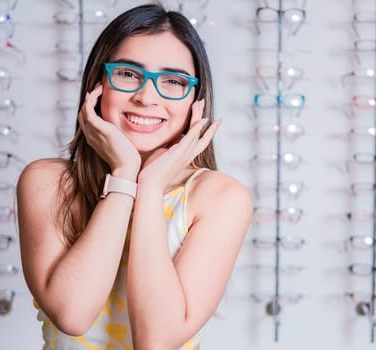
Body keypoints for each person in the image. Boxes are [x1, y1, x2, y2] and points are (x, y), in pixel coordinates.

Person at [16, 3, 253, 350]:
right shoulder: (49, 182)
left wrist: (152, 186)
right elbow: (73, 314)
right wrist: (125, 176)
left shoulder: (218, 197)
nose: (146, 97)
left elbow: (155, 342)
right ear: (99, 84)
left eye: (173, 81)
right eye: (128, 74)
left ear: (195, 101)